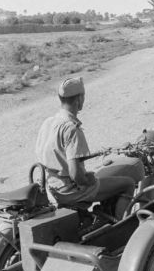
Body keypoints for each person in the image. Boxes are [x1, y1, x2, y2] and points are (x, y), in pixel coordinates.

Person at [35, 77, 136, 218]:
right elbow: (76, 175)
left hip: (50, 188)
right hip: (69, 191)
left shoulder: (49, 122)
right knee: (128, 183)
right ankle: (121, 225)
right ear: (79, 99)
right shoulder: (72, 129)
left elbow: (56, 154)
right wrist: (88, 179)